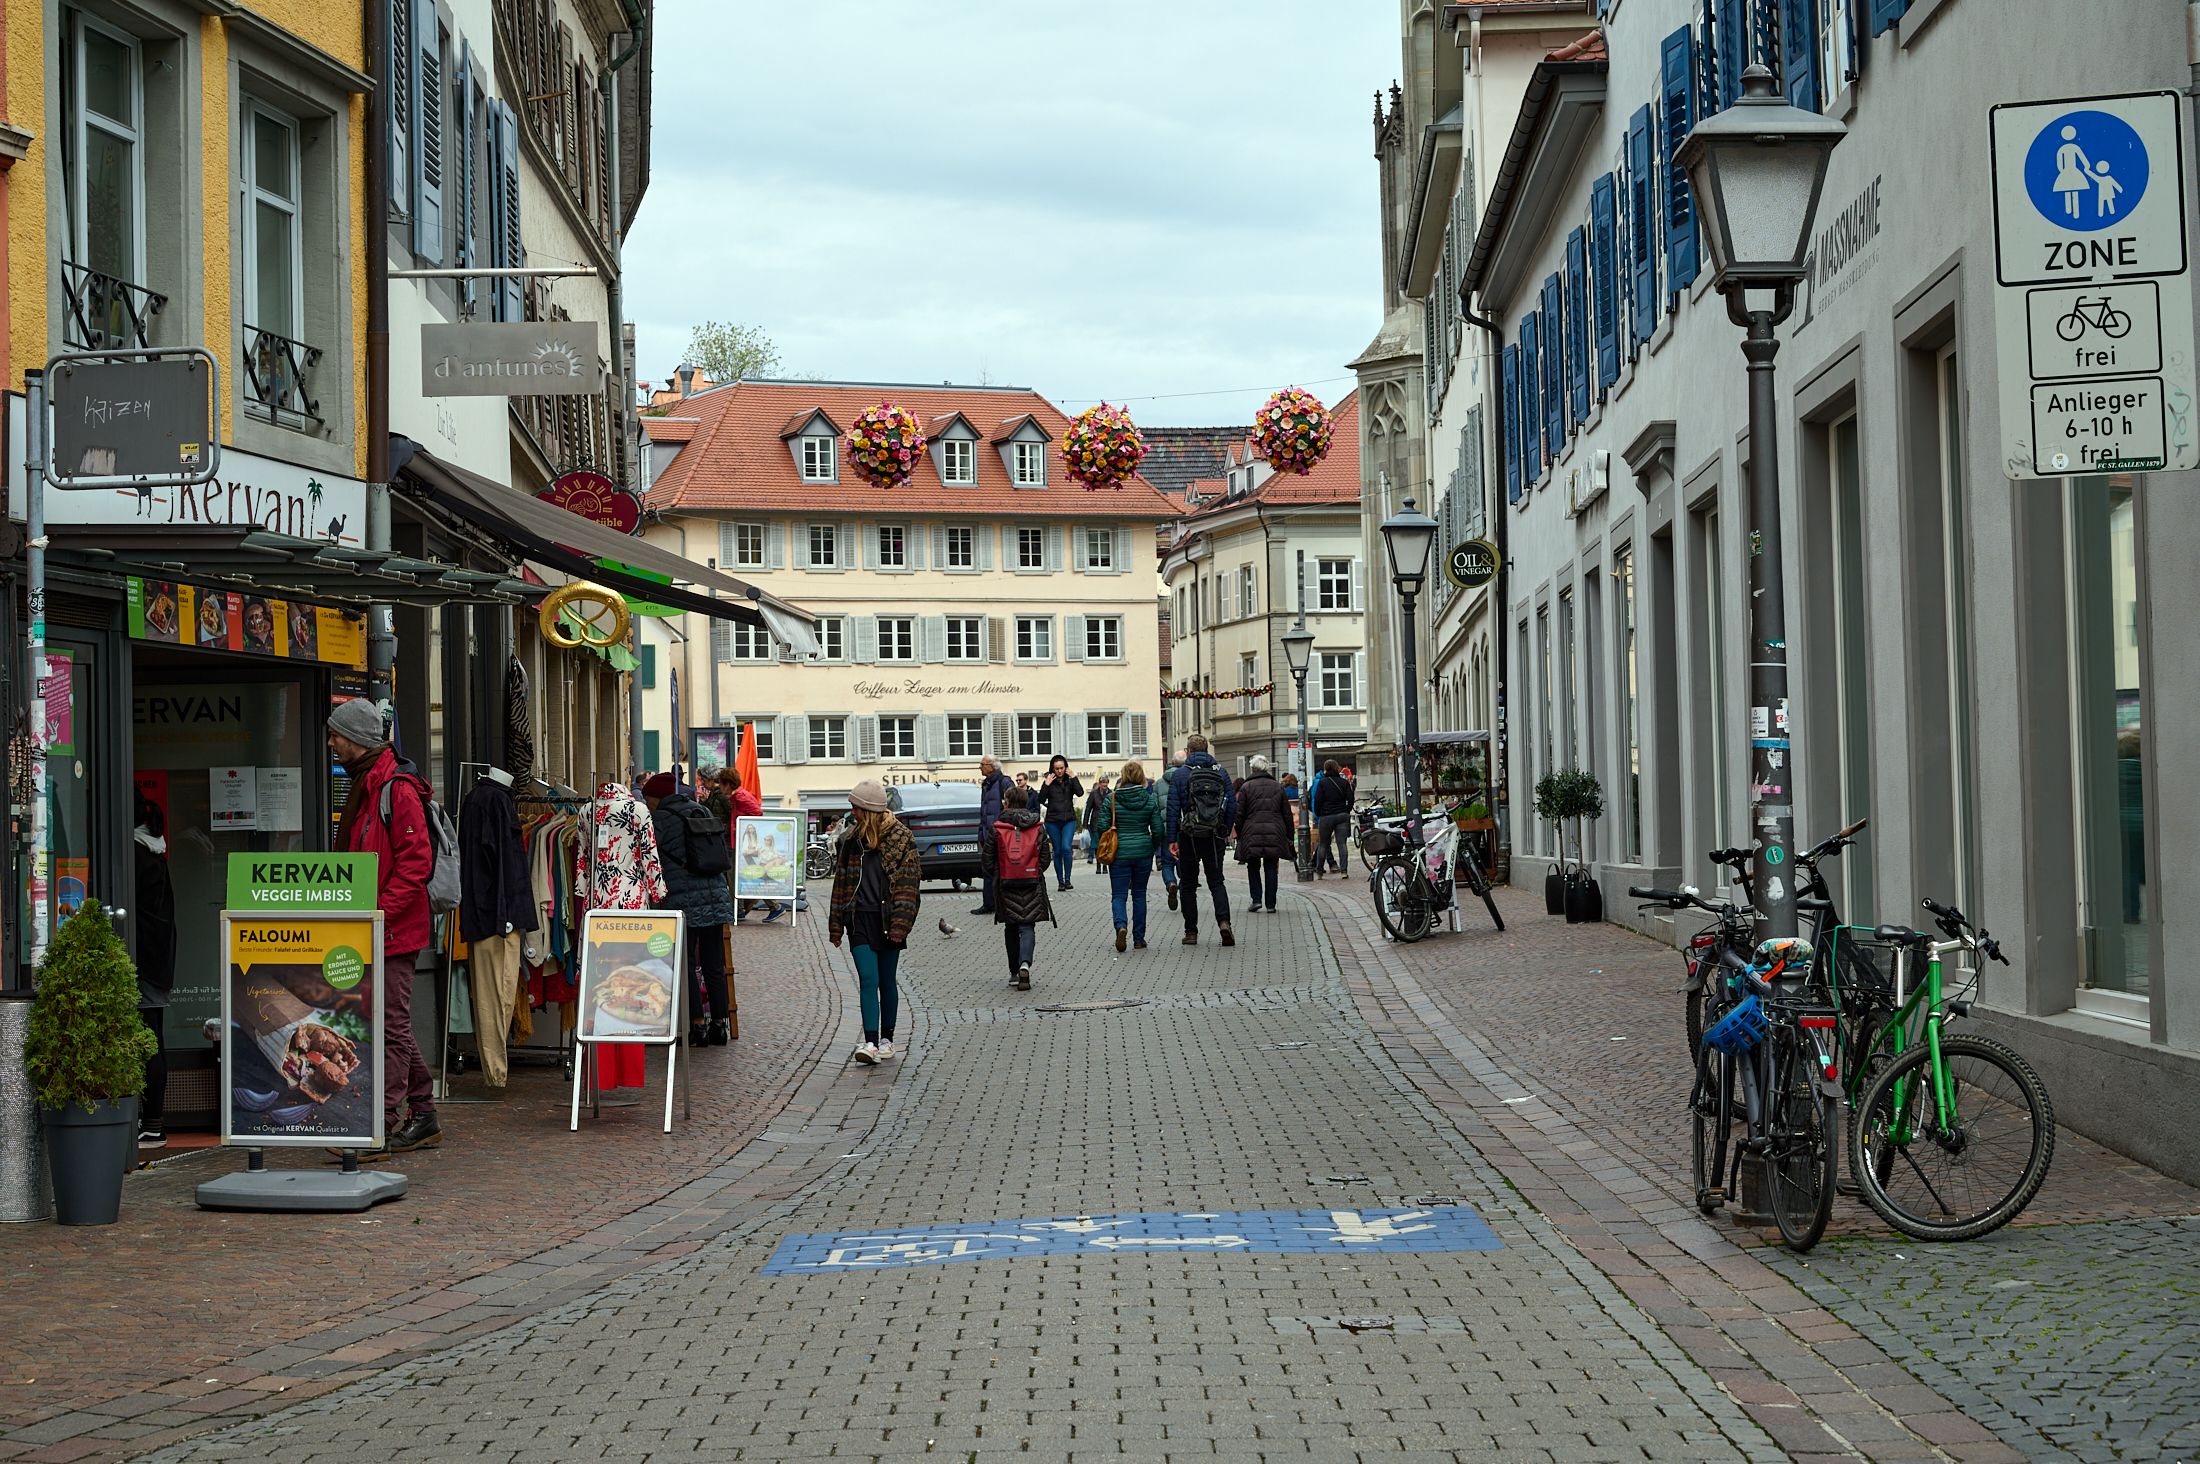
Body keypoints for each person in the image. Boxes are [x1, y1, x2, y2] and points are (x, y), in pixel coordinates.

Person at [328, 698, 440, 1154]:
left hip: (392, 930)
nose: (331, 742)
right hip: (372, 928)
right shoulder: (367, 785)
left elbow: (416, 865)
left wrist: (379, 913)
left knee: (390, 1027)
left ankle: (382, 1124)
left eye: (336, 735)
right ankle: (425, 1113)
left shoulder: (397, 789)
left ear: (357, 739)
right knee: (392, 1025)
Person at [828, 779, 921, 1064]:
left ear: (866, 810)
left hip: (890, 918)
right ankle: (869, 1043)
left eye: (855, 808)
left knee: (886, 981)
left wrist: (900, 925)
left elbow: (909, 886)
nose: (851, 812)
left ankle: (887, 1040)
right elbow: (841, 882)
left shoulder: (902, 838)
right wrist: (836, 923)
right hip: (859, 919)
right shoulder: (851, 841)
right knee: (868, 979)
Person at [644, 772, 738, 1046]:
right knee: (713, 964)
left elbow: (651, 858)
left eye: (649, 798)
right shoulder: (701, 809)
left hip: (682, 899)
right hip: (715, 894)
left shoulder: (659, 819)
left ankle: (697, 1024)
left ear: (656, 797)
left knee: (684, 962)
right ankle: (719, 1024)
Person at [131, 794, 176, 1147]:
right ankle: (153, 1121)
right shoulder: (155, 852)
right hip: (158, 960)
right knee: (152, 1037)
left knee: (148, 1040)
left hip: (143, 961)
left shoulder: (135, 855)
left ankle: (154, 1122)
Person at [1166, 734, 1238, 947]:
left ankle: (1191, 932)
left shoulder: (1180, 775)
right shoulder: (1221, 772)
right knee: (1216, 881)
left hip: (1189, 836)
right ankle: (1224, 922)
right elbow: (1232, 804)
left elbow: (1172, 809)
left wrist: (1172, 838)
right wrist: (1225, 829)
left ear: (1188, 752)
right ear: (1208, 751)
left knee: (1188, 884)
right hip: (1214, 835)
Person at [1093, 760, 1167, 951]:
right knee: (1139, 895)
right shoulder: (1148, 799)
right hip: (1142, 851)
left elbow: (1102, 826)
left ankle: (1121, 926)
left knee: (1118, 895)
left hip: (1119, 853)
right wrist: (1152, 845)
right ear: (1141, 777)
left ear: (1124, 776)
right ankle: (1139, 939)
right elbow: (1158, 828)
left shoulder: (1112, 798)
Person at [986, 786, 1055, 990]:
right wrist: (1031, 870)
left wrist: (1001, 873)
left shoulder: (997, 827)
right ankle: (1025, 963)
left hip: (1006, 884)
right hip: (1031, 882)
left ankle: (1014, 973)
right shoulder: (1036, 826)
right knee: (1027, 926)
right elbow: (1045, 858)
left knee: (1011, 927)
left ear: (1007, 802)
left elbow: (987, 861)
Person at [1234, 755, 1294, 914]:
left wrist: (1239, 834)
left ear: (1252, 769)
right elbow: (1286, 813)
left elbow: (1240, 814)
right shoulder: (1277, 786)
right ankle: (1271, 903)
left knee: (1253, 866)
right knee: (1271, 866)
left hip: (1251, 830)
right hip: (1274, 831)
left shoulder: (1246, 788)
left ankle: (1256, 900)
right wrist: (1289, 835)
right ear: (1266, 768)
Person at [1037, 754, 1085, 892]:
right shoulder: (1049, 781)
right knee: (1057, 851)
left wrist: (1074, 777)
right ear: (1053, 768)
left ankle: (1068, 879)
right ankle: (1060, 881)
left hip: (1068, 819)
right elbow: (1040, 799)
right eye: (1056, 768)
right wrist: (1046, 784)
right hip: (1052, 821)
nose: (1059, 771)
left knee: (1066, 848)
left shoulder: (1070, 780)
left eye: (1061, 768)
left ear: (1066, 768)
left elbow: (1080, 793)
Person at [972, 754, 1011, 915]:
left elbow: (1012, 806)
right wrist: (981, 832)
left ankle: (1002, 904)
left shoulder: (1004, 782)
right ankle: (989, 904)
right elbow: (984, 811)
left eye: (982, 764)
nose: (980, 767)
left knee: (1002, 870)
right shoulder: (986, 784)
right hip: (988, 833)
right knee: (987, 868)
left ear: (992, 766)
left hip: (1000, 833)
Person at [1311, 758, 1353, 877]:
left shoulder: (1322, 783)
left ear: (1325, 769)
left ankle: (1319, 871)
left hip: (1326, 816)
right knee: (1342, 844)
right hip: (1341, 815)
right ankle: (1344, 871)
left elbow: (1317, 800)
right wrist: (1346, 810)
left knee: (1323, 844)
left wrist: (1319, 813)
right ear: (1336, 768)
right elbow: (1350, 799)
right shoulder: (1344, 783)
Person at [1158, 751, 1186, 909]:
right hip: (1185, 828)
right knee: (1185, 862)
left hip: (1166, 828)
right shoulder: (1189, 776)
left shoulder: (1160, 783)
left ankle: (1170, 883)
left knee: (1167, 863)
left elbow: (1155, 807)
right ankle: (1182, 888)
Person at [1082, 774, 1112, 869]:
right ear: (1099, 784)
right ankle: (1099, 865)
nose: (1104, 784)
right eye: (1102, 782)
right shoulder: (1094, 793)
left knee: (1106, 844)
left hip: (1107, 822)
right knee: (1097, 844)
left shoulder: (1111, 793)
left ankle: (1105, 865)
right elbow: (1088, 808)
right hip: (1095, 822)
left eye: (1106, 782)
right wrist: (1085, 823)